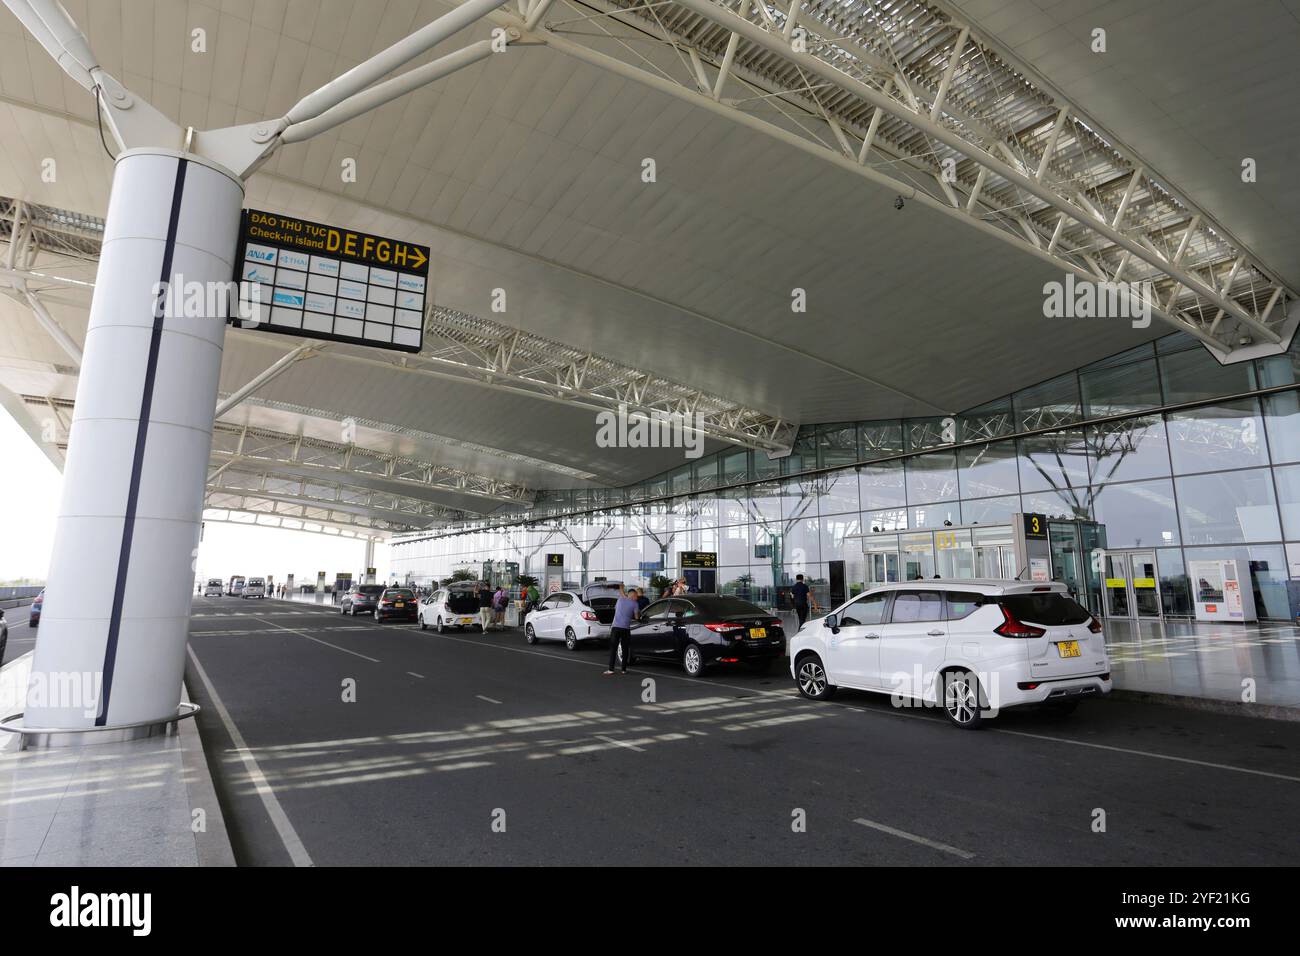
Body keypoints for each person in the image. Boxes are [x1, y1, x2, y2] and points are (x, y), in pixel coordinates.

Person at [606, 584, 640, 676]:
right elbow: (637, 617)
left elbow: (617, 607)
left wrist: (621, 588)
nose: (637, 597)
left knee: (613, 648)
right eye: (636, 595)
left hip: (615, 627)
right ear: (632, 595)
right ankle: (623, 670)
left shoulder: (620, 600)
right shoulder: (635, 604)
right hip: (625, 628)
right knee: (625, 649)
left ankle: (610, 670)